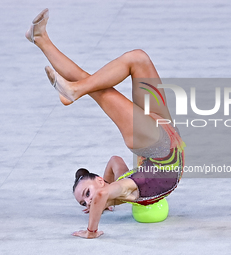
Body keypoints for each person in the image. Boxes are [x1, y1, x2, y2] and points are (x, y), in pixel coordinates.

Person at [25, 8, 185, 239]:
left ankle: (47, 49)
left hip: (157, 143)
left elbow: (113, 166)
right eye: (85, 200)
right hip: (164, 140)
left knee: (136, 60)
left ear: (100, 181)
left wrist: (92, 229)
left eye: (87, 194)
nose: (89, 200)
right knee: (118, 73)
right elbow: (111, 174)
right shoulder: (121, 188)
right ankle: (51, 55)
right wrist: (105, 196)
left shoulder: (117, 186)